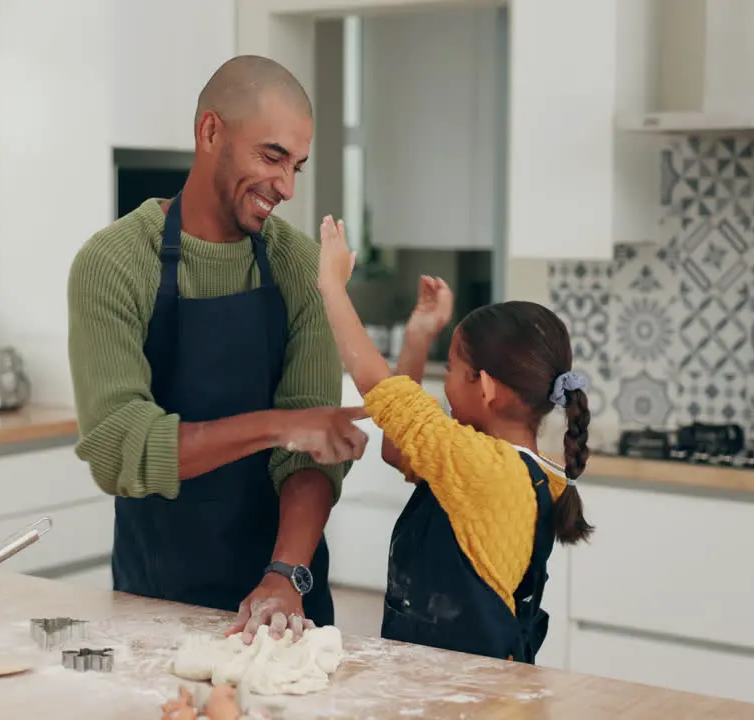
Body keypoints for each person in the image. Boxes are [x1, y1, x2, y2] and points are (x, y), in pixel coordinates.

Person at [66, 56, 368, 642]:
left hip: (284, 599)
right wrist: (280, 425)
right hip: (155, 598)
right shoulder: (114, 264)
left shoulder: (300, 265)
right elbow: (119, 447)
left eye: (297, 166)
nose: (286, 186)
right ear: (210, 132)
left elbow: (308, 455)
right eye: (272, 156)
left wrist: (284, 573)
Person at [313, 215, 594, 662]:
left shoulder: (484, 470)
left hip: (472, 696)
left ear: (485, 387)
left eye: (453, 372)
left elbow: (383, 391)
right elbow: (397, 447)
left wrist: (332, 288)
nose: (445, 386)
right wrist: (420, 334)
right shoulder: (501, 465)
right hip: (447, 681)